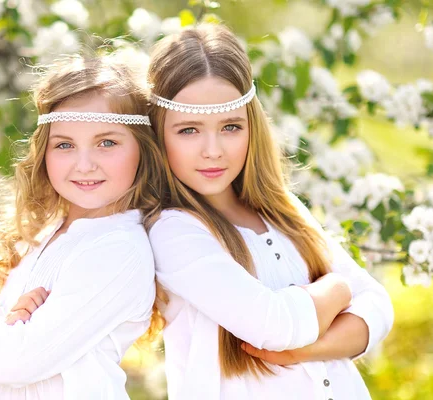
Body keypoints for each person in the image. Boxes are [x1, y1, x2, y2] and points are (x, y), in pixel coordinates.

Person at [146, 23, 394, 400]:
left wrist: (305, 350)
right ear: (158, 132)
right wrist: (339, 288)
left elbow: (378, 307)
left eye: (230, 127)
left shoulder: (283, 210)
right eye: (189, 130)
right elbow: (274, 326)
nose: (213, 150)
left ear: (252, 127)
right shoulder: (172, 231)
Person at [0, 54, 165, 399]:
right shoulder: (40, 233)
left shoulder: (118, 248)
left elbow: (15, 362)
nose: (84, 165)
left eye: (107, 142)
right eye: (65, 145)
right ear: (44, 152)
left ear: (143, 149)